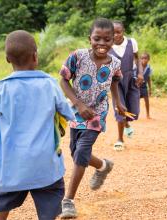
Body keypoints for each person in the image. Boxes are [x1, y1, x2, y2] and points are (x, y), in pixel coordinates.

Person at [0, 30, 75, 220]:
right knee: (51, 205)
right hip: (46, 166)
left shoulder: (0, 89)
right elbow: (68, 114)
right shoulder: (50, 85)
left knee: (2, 203)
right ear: (35, 57)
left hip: (12, 167)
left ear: (7, 59)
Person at [59, 18, 125, 219]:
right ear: (90, 39)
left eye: (107, 39)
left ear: (113, 40)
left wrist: (117, 103)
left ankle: (68, 201)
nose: (102, 43)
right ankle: (104, 166)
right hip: (76, 111)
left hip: (97, 114)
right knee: (75, 152)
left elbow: (114, 81)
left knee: (81, 153)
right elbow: (63, 80)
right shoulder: (77, 57)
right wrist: (78, 104)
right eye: (97, 39)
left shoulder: (115, 63)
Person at [109, 20, 144, 151]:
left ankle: (127, 123)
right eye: (113, 33)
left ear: (123, 31)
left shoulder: (131, 42)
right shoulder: (108, 46)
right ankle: (120, 139)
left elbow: (137, 58)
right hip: (116, 82)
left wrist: (140, 73)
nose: (116, 35)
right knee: (120, 109)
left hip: (131, 79)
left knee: (134, 112)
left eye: (118, 32)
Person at [140, 52, 153, 119]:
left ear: (148, 59)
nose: (144, 60)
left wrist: (150, 89)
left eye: (145, 58)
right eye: (142, 58)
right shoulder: (136, 67)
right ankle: (133, 114)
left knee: (146, 100)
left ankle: (148, 114)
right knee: (135, 101)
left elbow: (148, 79)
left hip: (144, 86)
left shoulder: (149, 68)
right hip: (136, 86)